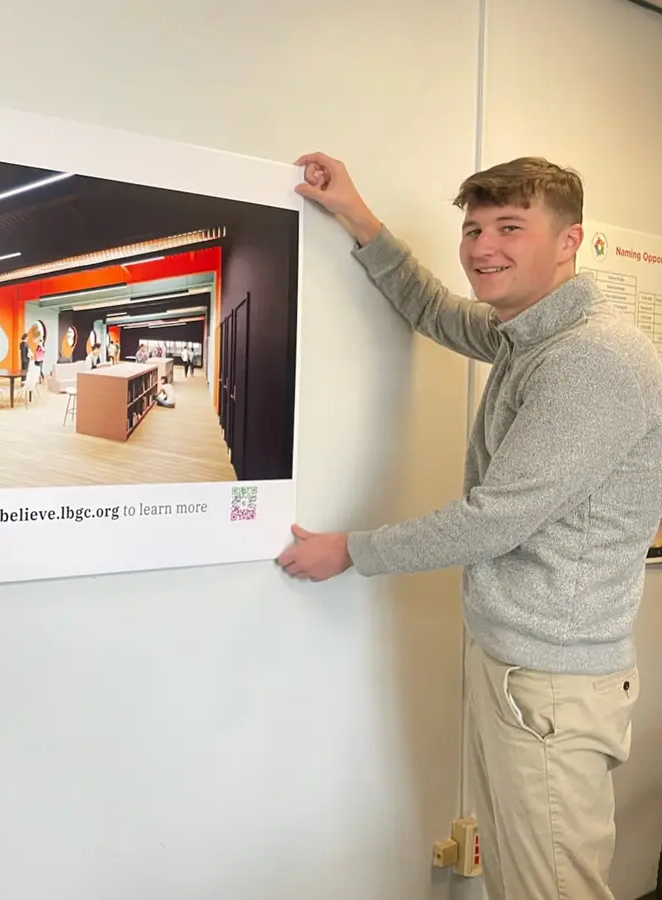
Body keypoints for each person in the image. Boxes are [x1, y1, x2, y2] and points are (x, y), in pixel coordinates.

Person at [278, 152, 662, 900]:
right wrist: (357, 214)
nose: (483, 247)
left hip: (550, 684)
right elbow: (433, 309)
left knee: (553, 890)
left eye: (510, 227)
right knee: (525, 882)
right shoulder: (530, 333)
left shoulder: (592, 359)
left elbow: (496, 521)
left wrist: (350, 551)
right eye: (475, 227)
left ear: (568, 241)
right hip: (520, 666)